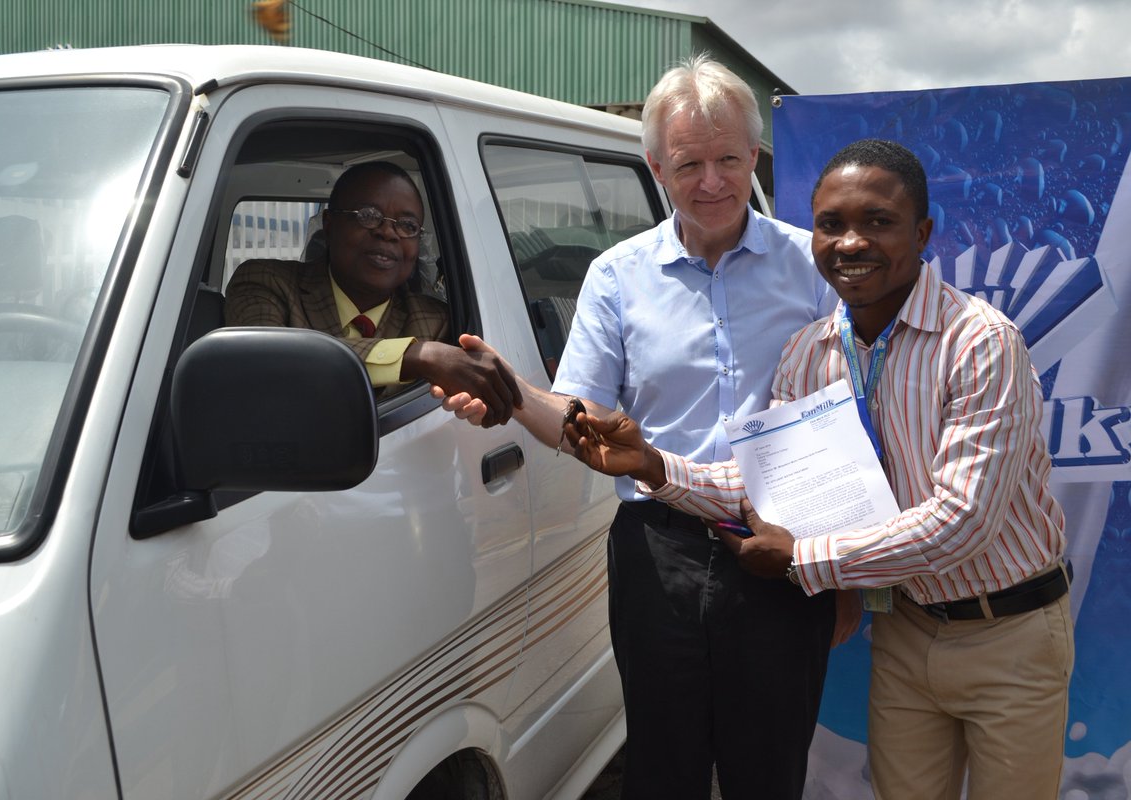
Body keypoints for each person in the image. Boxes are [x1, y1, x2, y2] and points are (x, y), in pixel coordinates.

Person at [564, 138, 1074, 800]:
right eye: (831, 224)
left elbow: (961, 521)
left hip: (1010, 635)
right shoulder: (811, 353)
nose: (850, 243)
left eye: (878, 222)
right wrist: (654, 465)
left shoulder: (979, 344)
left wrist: (802, 562)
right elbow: (765, 486)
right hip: (905, 632)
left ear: (922, 233)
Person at [437, 56, 857, 800]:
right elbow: (580, 418)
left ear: (753, 156)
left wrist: (844, 575)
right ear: (656, 167)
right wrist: (509, 392)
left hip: (781, 546)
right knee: (663, 769)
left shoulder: (812, 266)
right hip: (658, 554)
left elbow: (857, 411)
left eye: (729, 159)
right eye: (688, 163)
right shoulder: (617, 276)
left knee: (771, 770)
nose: (712, 182)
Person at [225, 160, 521, 426]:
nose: (388, 233)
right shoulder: (265, 282)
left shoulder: (436, 321)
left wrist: (477, 403)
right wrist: (417, 355)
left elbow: (464, 389)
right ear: (329, 226)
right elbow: (267, 366)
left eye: (407, 225)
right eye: (368, 215)